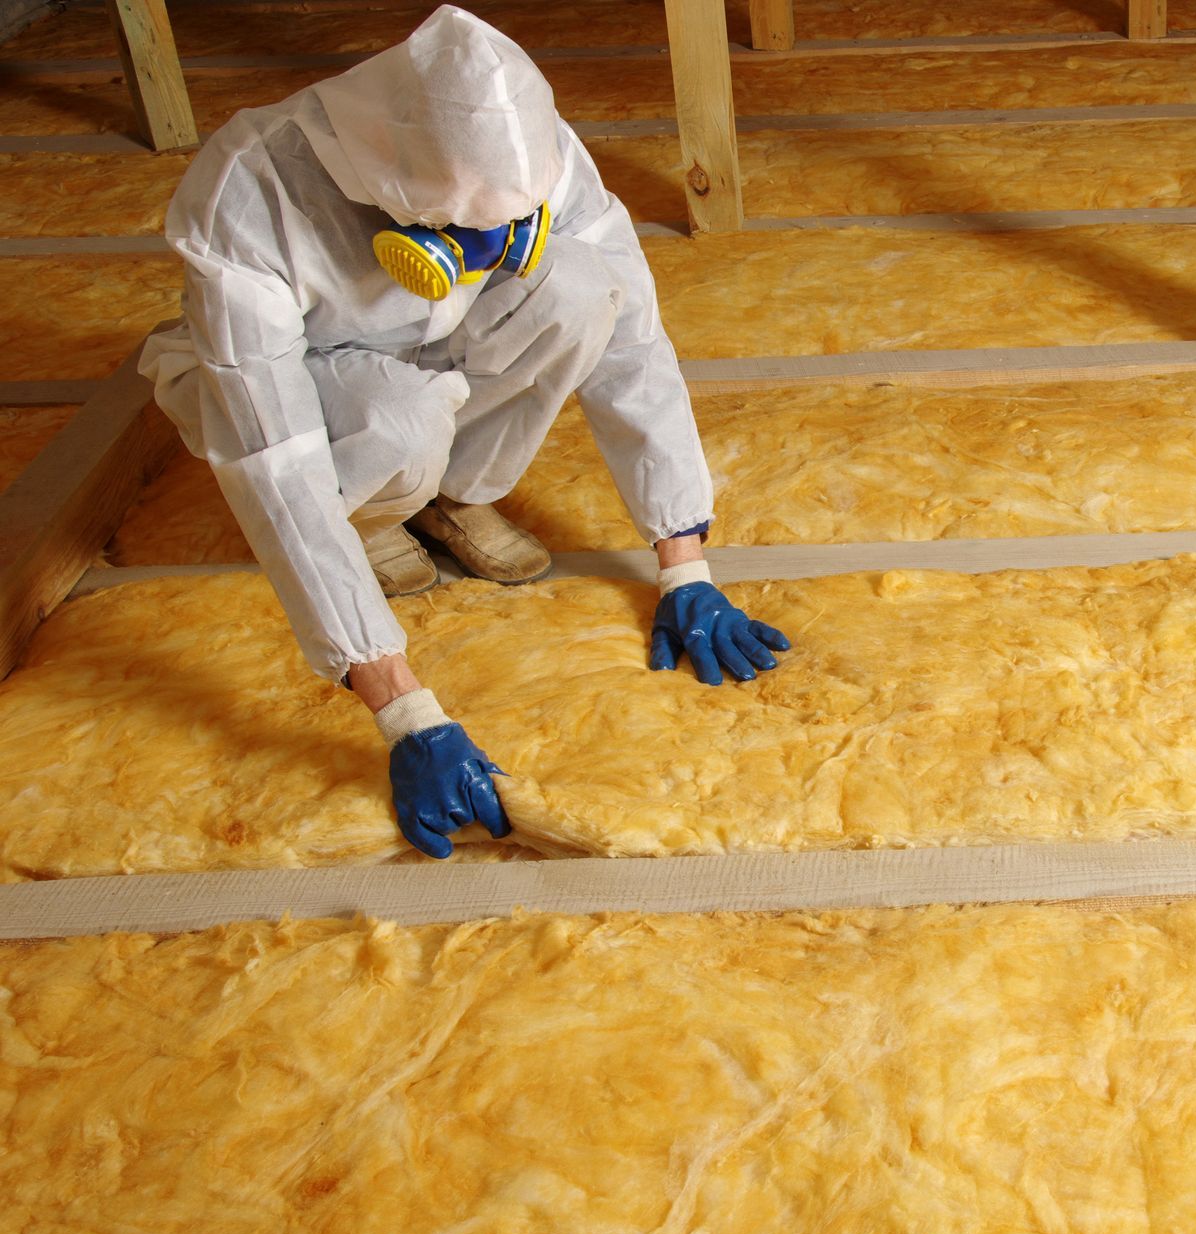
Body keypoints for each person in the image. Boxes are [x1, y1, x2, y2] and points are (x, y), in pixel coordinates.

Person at [138, 5, 788, 859]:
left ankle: (451, 496)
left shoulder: (534, 150)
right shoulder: (253, 192)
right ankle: (374, 514)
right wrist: (401, 706)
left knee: (583, 287)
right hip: (315, 382)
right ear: (397, 193)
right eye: (464, 232)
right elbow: (278, 459)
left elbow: (632, 342)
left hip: (434, 346)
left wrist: (683, 556)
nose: (499, 246)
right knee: (394, 417)